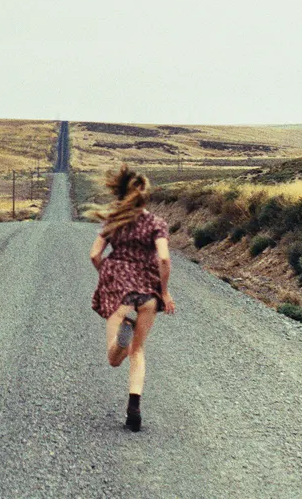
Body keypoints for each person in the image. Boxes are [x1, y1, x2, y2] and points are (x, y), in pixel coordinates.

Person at [90, 164, 177, 431]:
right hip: (148, 295)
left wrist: (109, 275)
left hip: (120, 293)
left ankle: (122, 334)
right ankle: (134, 406)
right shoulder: (156, 224)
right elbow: (163, 258)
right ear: (145, 195)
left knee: (114, 358)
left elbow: (94, 255)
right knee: (138, 352)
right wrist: (164, 292)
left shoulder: (113, 221)